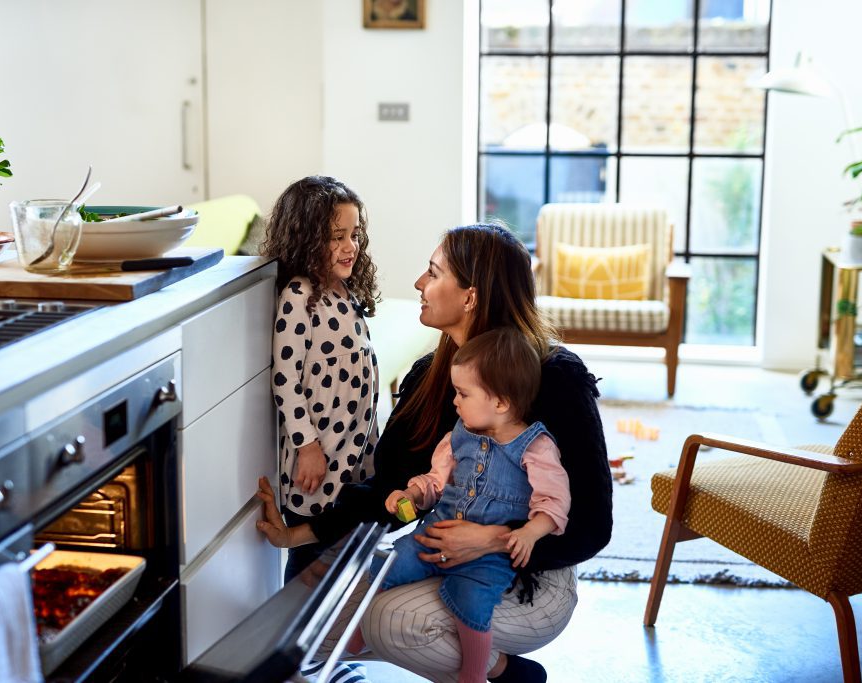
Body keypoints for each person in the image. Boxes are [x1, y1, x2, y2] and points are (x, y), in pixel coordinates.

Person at [257, 223, 612, 682]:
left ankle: (500, 671)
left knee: (390, 620)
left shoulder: (555, 378)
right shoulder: (431, 376)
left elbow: (591, 526)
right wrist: (295, 534)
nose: (418, 283)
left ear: (470, 297)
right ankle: (502, 671)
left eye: (433, 272)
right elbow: (388, 489)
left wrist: (491, 540)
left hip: (531, 573)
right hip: (442, 554)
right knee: (310, 632)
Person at [346, 327, 570, 683]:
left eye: (463, 393)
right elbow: (436, 482)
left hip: (489, 558)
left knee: (472, 602)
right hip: (435, 535)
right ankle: (358, 634)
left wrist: (530, 532)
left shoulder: (536, 447)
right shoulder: (459, 435)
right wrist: (412, 494)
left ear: (500, 402)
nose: (455, 401)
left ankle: (475, 674)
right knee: (389, 563)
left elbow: (555, 501)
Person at [261, 175, 381, 582]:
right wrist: (307, 446)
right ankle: (298, 622)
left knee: (343, 545)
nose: (350, 247)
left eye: (354, 235)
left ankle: (338, 615)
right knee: (309, 560)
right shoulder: (299, 295)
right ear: (307, 240)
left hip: (353, 450)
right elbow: (285, 379)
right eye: (336, 237)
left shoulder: (345, 291)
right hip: (319, 458)